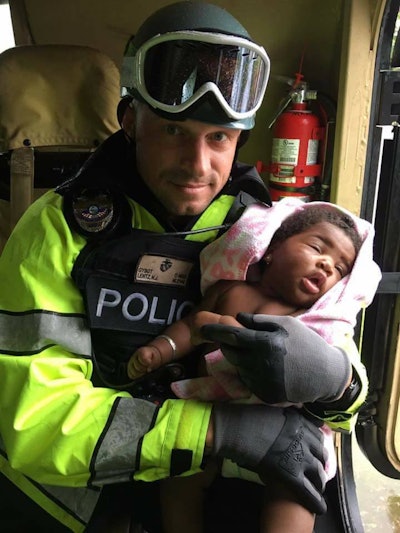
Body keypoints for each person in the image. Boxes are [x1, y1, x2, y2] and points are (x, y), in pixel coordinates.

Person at [0, 2, 367, 532]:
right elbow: (35, 424)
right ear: (131, 121)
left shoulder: (264, 230)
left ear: (240, 137)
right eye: (174, 131)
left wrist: (335, 382)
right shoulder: (58, 228)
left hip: (221, 481)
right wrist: (219, 430)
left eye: (218, 137)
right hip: (76, 499)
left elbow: (338, 366)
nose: (198, 165)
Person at [127, 198, 381, 533]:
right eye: (317, 247)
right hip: (211, 416)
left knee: (296, 491)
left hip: (285, 429)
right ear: (271, 247)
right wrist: (160, 349)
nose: (325, 266)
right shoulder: (229, 291)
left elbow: (343, 372)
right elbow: (191, 326)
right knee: (179, 477)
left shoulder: (320, 325)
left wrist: (337, 377)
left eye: (338, 269)